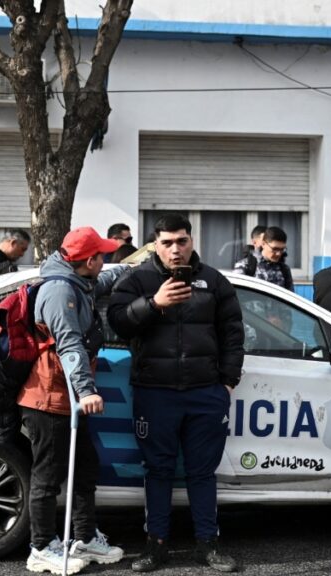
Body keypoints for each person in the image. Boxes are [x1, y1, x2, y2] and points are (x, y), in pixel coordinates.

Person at [107, 213, 244, 573]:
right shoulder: (136, 279)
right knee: (158, 471)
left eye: (181, 241)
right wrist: (154, 303)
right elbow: (117, 323)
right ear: (155, 244)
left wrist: (227, 382)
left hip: (205, 393)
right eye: (167, 243)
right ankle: (156, 547)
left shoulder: (213, 280)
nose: (175, 249)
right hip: (155, 393)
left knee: (203, 472)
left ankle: (208, 546)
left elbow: (233, 333)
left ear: (191, 241)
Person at [21, 227, 129, 574]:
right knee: (48, 477)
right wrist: (86, 390)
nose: (106, 260)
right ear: (90, 260)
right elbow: (69, 345)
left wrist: (131, 266)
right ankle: (41, 547)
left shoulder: (79, 281)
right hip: (50, 398)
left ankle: (84, 537)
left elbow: (104, 280)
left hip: (65, 399)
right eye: (103, 255)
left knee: (85, 468)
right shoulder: (59, 292)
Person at [233, 226, 294, 291]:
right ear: (263, 244)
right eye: (275, 249)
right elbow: (237, 292)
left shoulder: (284, 269)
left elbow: (290, 294)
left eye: (282, 249)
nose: (278, 253)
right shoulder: (246, 265)